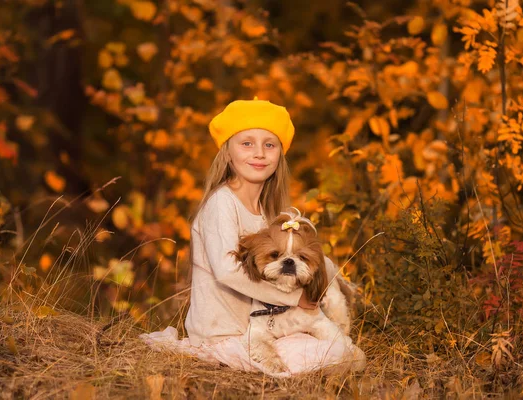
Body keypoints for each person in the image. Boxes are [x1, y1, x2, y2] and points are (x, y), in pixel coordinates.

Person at [140, 97, 365, 377]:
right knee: (329, 355)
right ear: (227, 153)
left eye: (269, 145)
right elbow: (226, 272)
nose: (259, 153)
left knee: (338, 350)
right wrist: (296, 299)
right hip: (224, 333)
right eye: (247, 143)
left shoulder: (267, 214)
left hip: (262, 329)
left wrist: (329, 275)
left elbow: (306, 255)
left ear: (279, 156)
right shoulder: (221, 203)